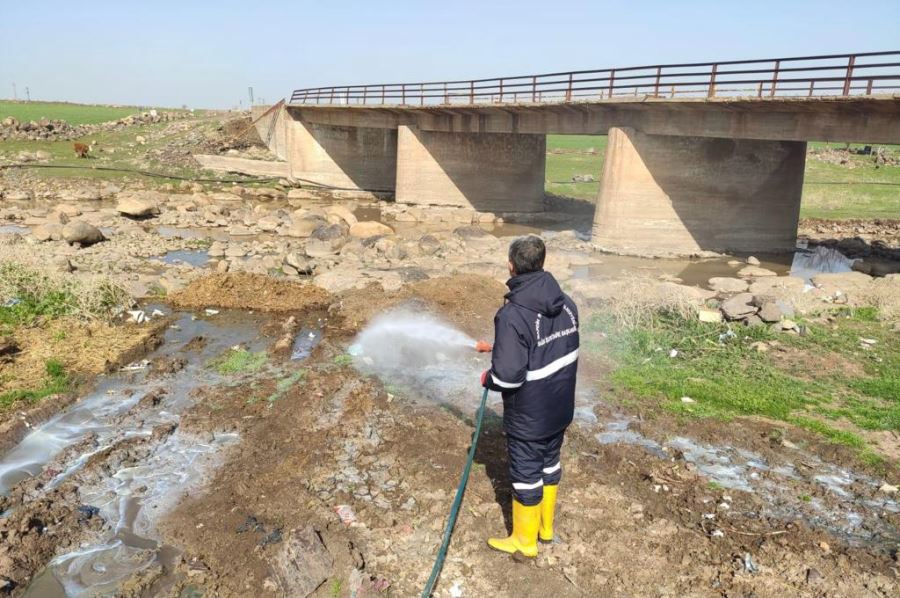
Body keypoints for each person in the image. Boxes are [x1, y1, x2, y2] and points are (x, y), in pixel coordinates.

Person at [479, 234, 579, 557]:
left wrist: (489, 377)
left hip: (529, 418)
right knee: (550, 465)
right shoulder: (568, 305)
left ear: (511, 266)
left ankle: (524, 542)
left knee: (526, 475)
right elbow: (549, 346)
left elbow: (508, 377)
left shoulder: (511, 316)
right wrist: (504, 348)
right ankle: (546, 530)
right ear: (542, 263)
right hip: (560, 410)